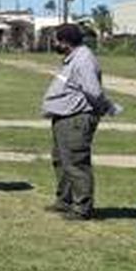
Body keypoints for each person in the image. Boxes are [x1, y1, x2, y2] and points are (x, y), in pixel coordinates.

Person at [42, 24, 122, 221]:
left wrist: (106, 107)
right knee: (61, 161)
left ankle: (82, 208)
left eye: (56, 40)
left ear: (65, 42)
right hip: (64, 117)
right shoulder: (73, 58)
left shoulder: (84, 60)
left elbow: (93, 91)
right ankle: (65, 200)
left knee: (76, 162)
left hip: (76, 118)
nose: (54, 44)